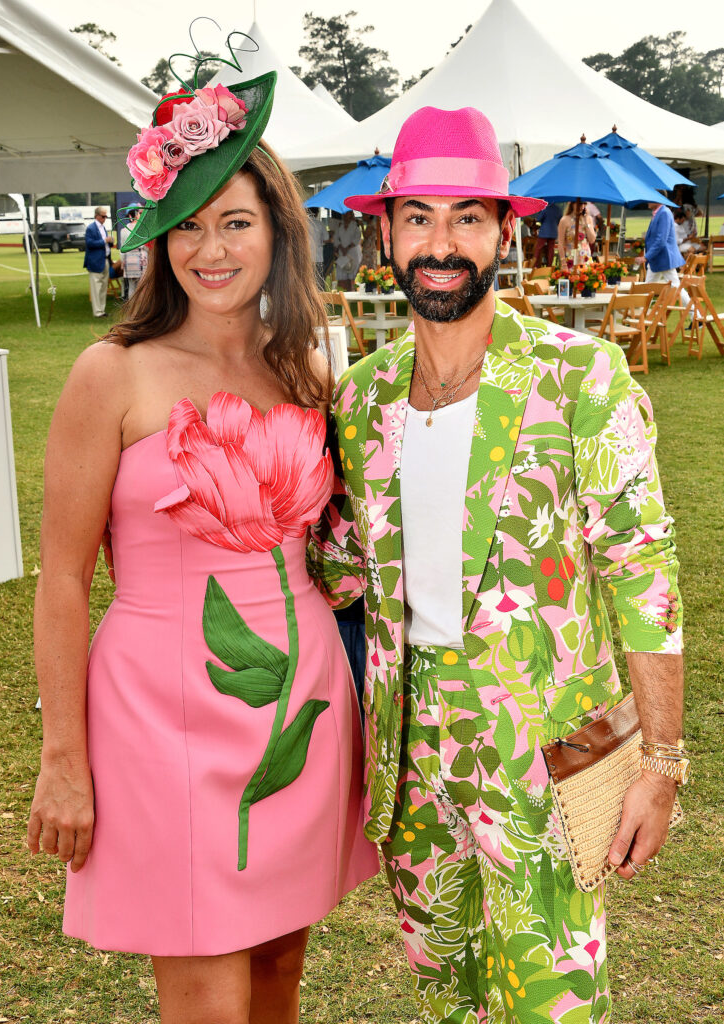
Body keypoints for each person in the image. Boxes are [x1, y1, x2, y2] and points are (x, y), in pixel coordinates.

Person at [309, 105, 686, 1024]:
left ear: (504, 231)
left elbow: (642, 573)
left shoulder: (580, 376)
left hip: (542, 744)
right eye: (420, 218)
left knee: (552, 997)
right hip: (409, 745)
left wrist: (662, 763)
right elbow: (340, 573)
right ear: (384, 230)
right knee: (447, 991)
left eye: (466, 217)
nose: (442, 243)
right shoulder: (358, 399)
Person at [27, 65, 377, 1024]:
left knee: (277, 977)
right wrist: (64, 756)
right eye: (188, 223)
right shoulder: (113, 374)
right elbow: (61, 581)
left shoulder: (306, 367)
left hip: (299, 709)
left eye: (234, 221)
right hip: (157, 717)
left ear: (278, 233)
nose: (210, 249)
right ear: (157, 238)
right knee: (207, 993)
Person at [641, 198, 690, 312]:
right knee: (647, 288)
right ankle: (642, 318)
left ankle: (696, 316)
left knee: (675, 287)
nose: (647, 200)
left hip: (664, 259)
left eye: (650, 197)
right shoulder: (659, 213)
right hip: (657, 259)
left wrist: (646, 256)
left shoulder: (664, 213)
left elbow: (661, 240)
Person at [83, 206, 113, 318]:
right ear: (97, 216)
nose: (104, 218)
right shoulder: (91, 228)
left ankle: (102, 310)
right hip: (95, 261)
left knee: (104, 287)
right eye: (103, 216)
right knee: (96, 288)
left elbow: (104, 243)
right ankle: (97, 312)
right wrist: (104, 241)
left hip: (105, 260)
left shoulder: (103, 228)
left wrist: (109, 242)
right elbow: (89, 243)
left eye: (106, 216)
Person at [119, 203, 149, 301]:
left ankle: (132, 306)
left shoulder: (123, 230)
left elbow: (122, 248)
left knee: (132, 285)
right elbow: (146, 245)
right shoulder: (142, 228)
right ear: (136, 215)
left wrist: (122, 261)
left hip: (129, 258)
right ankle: (140, 306)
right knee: (142, 285)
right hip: (141, 257)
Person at [557, 200, 596, 267]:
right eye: (580, 204)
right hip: (570, 260)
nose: (582, 206)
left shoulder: (588, 219)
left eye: (584, 204)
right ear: (572, 204)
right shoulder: (564, 220)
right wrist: (563, 263)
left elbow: (592, 240)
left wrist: (586, 222)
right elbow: (560, 243)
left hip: (585, 260)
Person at [335, 209, 362, 290]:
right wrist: (340, 247)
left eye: (348, 214)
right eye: (344, 214)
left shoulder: (355, 226)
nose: (346, 216)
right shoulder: (340, 226)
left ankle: (353, 291)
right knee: (342, 271)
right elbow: (336, 238)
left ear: (351, 215)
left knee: (352, 272)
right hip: (342, 252)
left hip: (353, 252)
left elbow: (357, 238)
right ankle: (344, 291)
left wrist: (347, 248)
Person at [533, 201, 561, 267]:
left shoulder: (545, 207)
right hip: (553, 232)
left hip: (544, 232)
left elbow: (539, 219)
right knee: (551, 250)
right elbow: (560, 219)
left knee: (538, 248)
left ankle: (535, 265)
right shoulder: (558, 209)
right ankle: (549, 266)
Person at [306, 206, 327, 289]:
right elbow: (326, 238)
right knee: (319, 282)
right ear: (317, 213)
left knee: (307, 281)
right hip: (318, 257)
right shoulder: (320, 224)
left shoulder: (303, 223)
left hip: (306, 257)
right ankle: (322, 300)